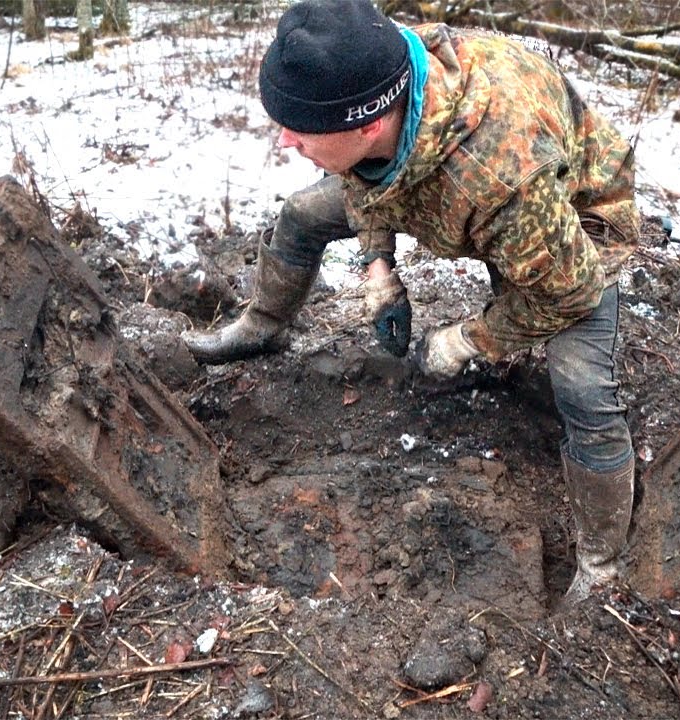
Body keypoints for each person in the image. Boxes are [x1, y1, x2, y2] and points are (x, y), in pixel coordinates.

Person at [182, 0, 639, 603]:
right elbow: (362, 176)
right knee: (299, 215)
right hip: (455, 190)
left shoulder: (502, 175)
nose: (285, 139)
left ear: (367, 125)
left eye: (301, 129)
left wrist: (467, 339)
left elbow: (569, 289)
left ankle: (601, 565)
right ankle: (262, 324)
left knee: (582, 389)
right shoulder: (376, 64)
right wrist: (379, 268)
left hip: (571, 224)